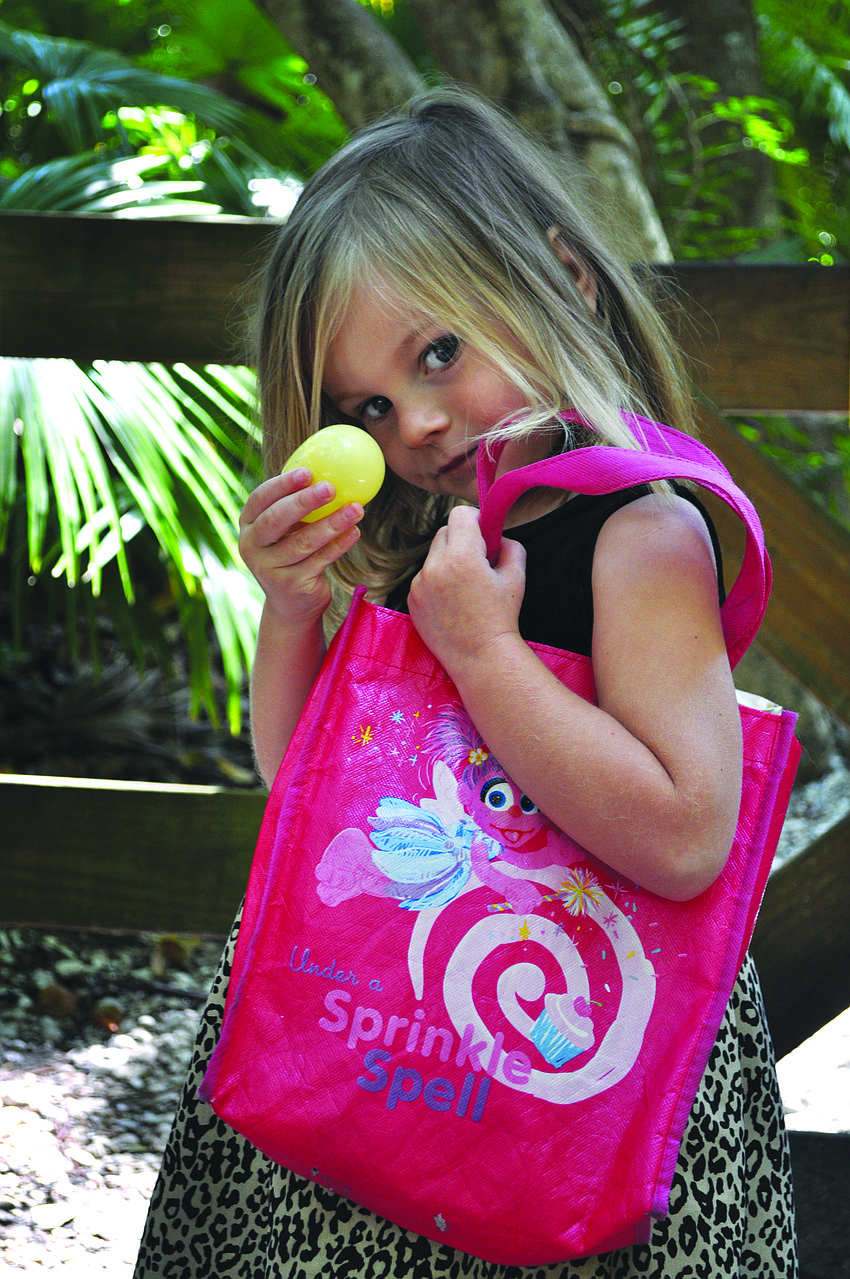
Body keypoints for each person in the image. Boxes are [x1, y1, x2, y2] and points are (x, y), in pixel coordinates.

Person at [134, 88, 797, 1278]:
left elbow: (690, 834)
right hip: (385, 1053)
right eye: (369, 407)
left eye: (439, 350)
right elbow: (302, 789)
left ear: (566, 281)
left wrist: (488, 657)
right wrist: (294, 608)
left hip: (577, 1080)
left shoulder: (638, 535)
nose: (420, 423)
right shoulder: (421, 546)